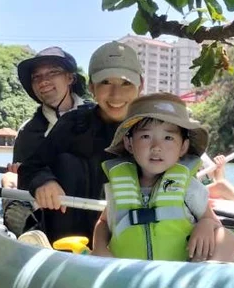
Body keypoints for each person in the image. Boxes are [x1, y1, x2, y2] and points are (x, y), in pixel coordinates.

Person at [18, 40, 142, 240]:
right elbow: (30, 167)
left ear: (140, 86)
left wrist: (206, 221)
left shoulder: (155, 127)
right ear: (92, 87)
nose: (116, 94)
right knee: (68, 163)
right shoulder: (73, 123)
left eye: (126, 83)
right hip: (70, 236)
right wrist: (44, 181)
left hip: (129, 235)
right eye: (105, 83)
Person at [91, 94, 234, 262]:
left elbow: (210, 219)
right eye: (146, 136)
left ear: (183, 147)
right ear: (129, 143)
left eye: (168, 138)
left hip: (181, 271)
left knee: (227, 237)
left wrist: (205, 225)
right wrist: (99, 248)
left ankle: (206, 282)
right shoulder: (121, 187)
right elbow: (103, 223)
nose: (156, 147)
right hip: (130, 273)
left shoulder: (188, 186)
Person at [0, 46, 89, 232]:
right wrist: (25, 175)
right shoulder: (27, 132)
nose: (43, 81)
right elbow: (26, 174)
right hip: (46, 210)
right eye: (36, 77)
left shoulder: (96, 117)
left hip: (92, 204)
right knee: (8, 178)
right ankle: (27, 233)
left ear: (70, 78)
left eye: (53, 72)